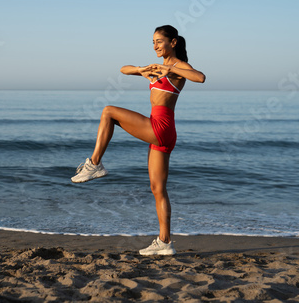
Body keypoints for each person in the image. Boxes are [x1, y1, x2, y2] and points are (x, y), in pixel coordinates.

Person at [71, 25, 205, 256]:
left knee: (108, 112)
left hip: (160, 127)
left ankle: (94, 164)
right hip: (163, 132)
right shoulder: (156, 66)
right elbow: (123, 69)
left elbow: (200, 77)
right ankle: (165, 242)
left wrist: (168, 70)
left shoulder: (178, 66)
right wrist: (142, 70)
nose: (155, 45)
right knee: (158, 189)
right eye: (152, 42)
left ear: (173, 42)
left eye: (159, 41)